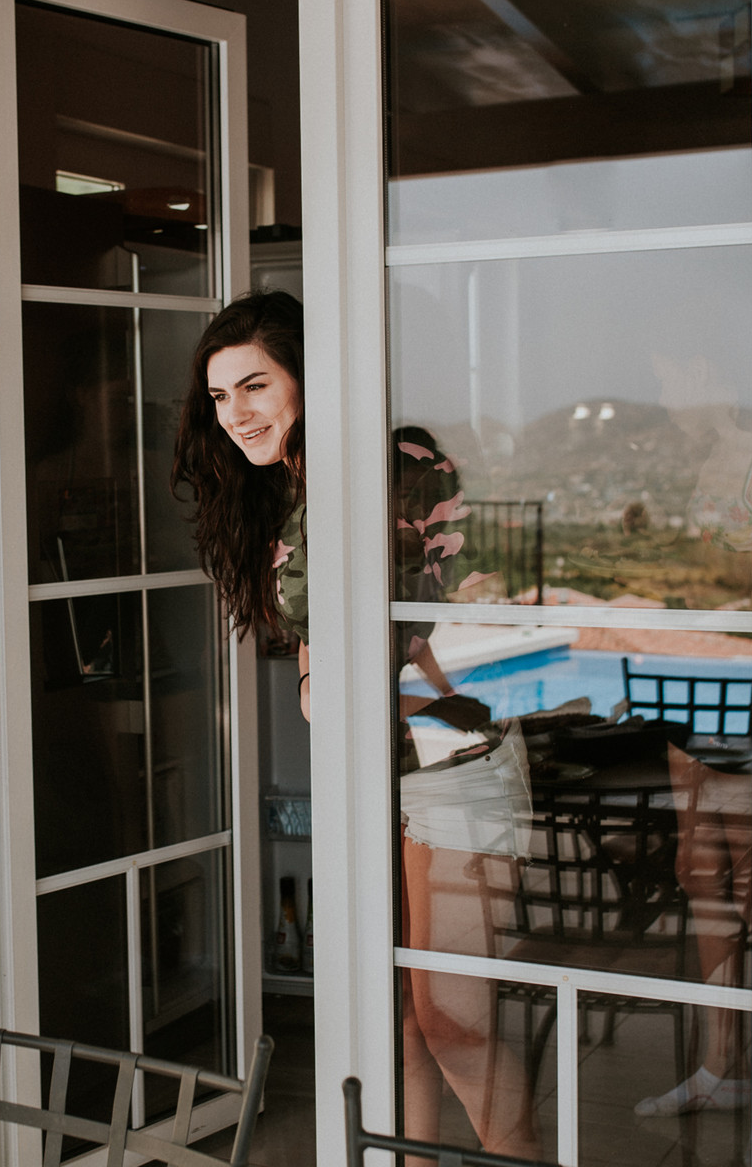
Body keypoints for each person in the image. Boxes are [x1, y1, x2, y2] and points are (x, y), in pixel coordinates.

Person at [171, 292, 540, 1159]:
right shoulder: (290, 490)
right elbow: (321, 647)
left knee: (454, 1020)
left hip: (449, 759)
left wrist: (332, 670)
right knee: (395, 1025)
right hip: (370, 766)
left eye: (256, 386)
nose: (238, 415)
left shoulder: (390, 460)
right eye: (221, 398)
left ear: (308, 374)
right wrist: (316, 668)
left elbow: (394, 621)